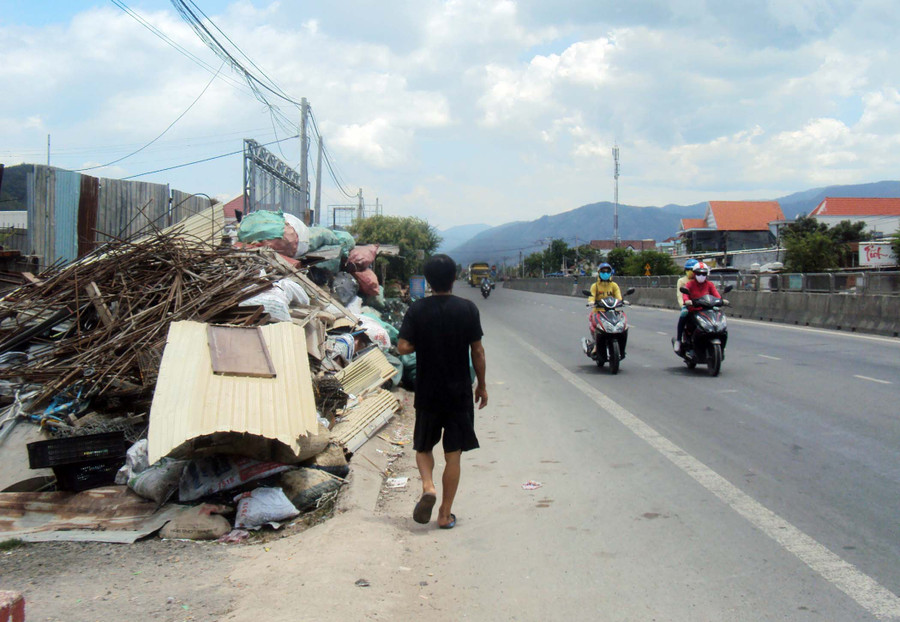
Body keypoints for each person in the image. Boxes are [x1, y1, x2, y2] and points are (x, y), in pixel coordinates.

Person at [397, 254, 488, 530]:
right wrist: (481, 385)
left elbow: (402, 347)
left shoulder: (417, 310)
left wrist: (421, 342)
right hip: (459, 392)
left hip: (428, 390)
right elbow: (478, 351)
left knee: (423, 446)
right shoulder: (468, 309)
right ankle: (445, 514)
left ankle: (428, 486)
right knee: (454, 453)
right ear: (453, 278)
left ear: (428, 281)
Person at [584, 262, 626, 358]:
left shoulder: (614, 285)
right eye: (603, 271)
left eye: (608, 272)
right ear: (599, 273)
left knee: (624, 326)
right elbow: (591, 297)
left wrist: (622, 301)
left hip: (611, 312)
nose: (605, 273)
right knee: (596, 327)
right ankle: (596, 345)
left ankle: (621, 348)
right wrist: (591, 302)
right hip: (598, 312)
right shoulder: (595, 286)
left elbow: (618, 297)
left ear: (611, 273)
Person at [680, 262, 722, 354]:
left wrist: (721, 301)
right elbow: (685, 295)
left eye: (703, 274)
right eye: (699, 273)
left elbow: (716, 296)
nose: (701, 276)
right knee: (683, 314)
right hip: (693, 310)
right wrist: (687, 301)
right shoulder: (690, 284)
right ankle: (679, 340)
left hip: (707, 311)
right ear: (694, 274)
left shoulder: (710, 285)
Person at [673, 258, 698, 353]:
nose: (690, 272)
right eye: (688, 270)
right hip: (688, 306)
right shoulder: (682, 281)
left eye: (691, 270)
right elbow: (680, 296)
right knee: (683, 315)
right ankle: (678, 340)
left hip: (700, 306)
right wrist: (684, 305)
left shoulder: (700, 281)